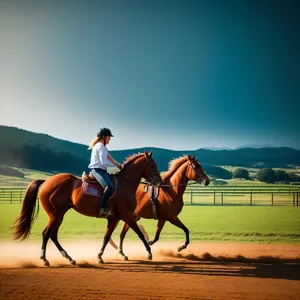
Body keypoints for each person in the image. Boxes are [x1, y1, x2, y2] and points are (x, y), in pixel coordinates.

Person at [88, 127, 123, 217]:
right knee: (110, 187)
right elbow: (104, 162)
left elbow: (108, 156)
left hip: (101, 170)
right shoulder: (101, 147)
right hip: (98, 170)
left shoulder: (100, 147)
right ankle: (102, 208)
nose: (109, 139)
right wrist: (116, 166)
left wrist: (117, 163)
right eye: (108, 137)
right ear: (103, 137)